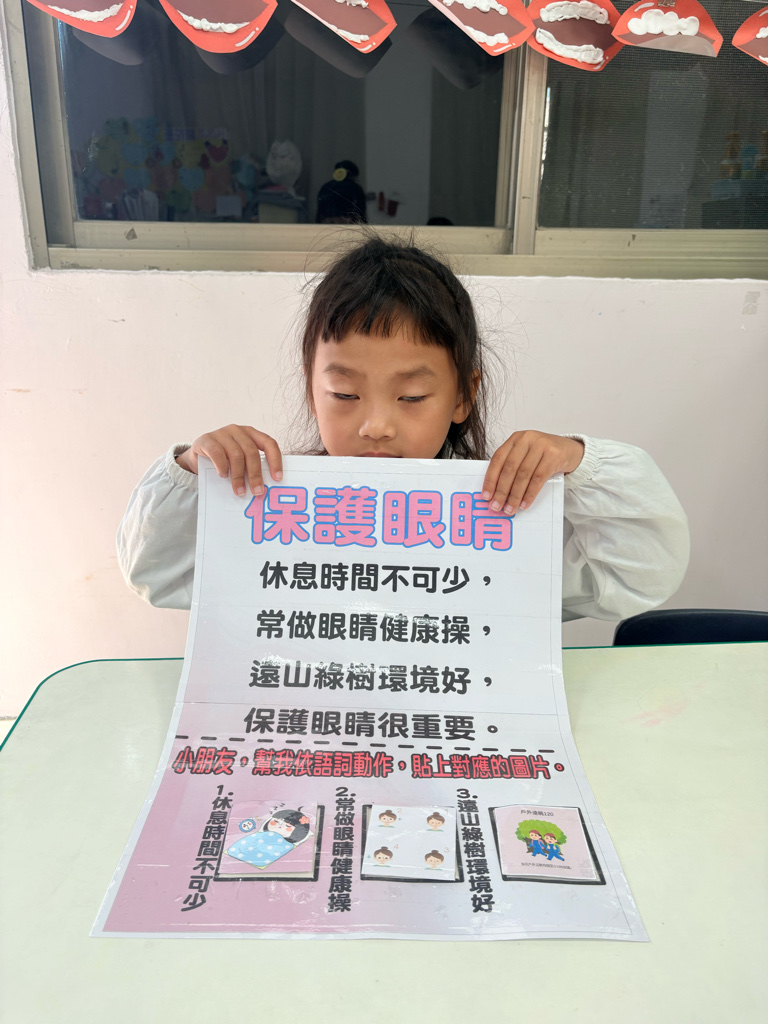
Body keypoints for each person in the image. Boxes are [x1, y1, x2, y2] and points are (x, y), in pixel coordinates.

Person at [117, 235, 689, 619]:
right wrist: (192, 476)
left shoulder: (504, 517)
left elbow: (641, 575)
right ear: (311, 392)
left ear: (464, 395)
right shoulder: (272, 508)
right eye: (344, 394)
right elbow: (157, 575)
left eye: (412, 396)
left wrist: (581, 464)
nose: (376, 425)